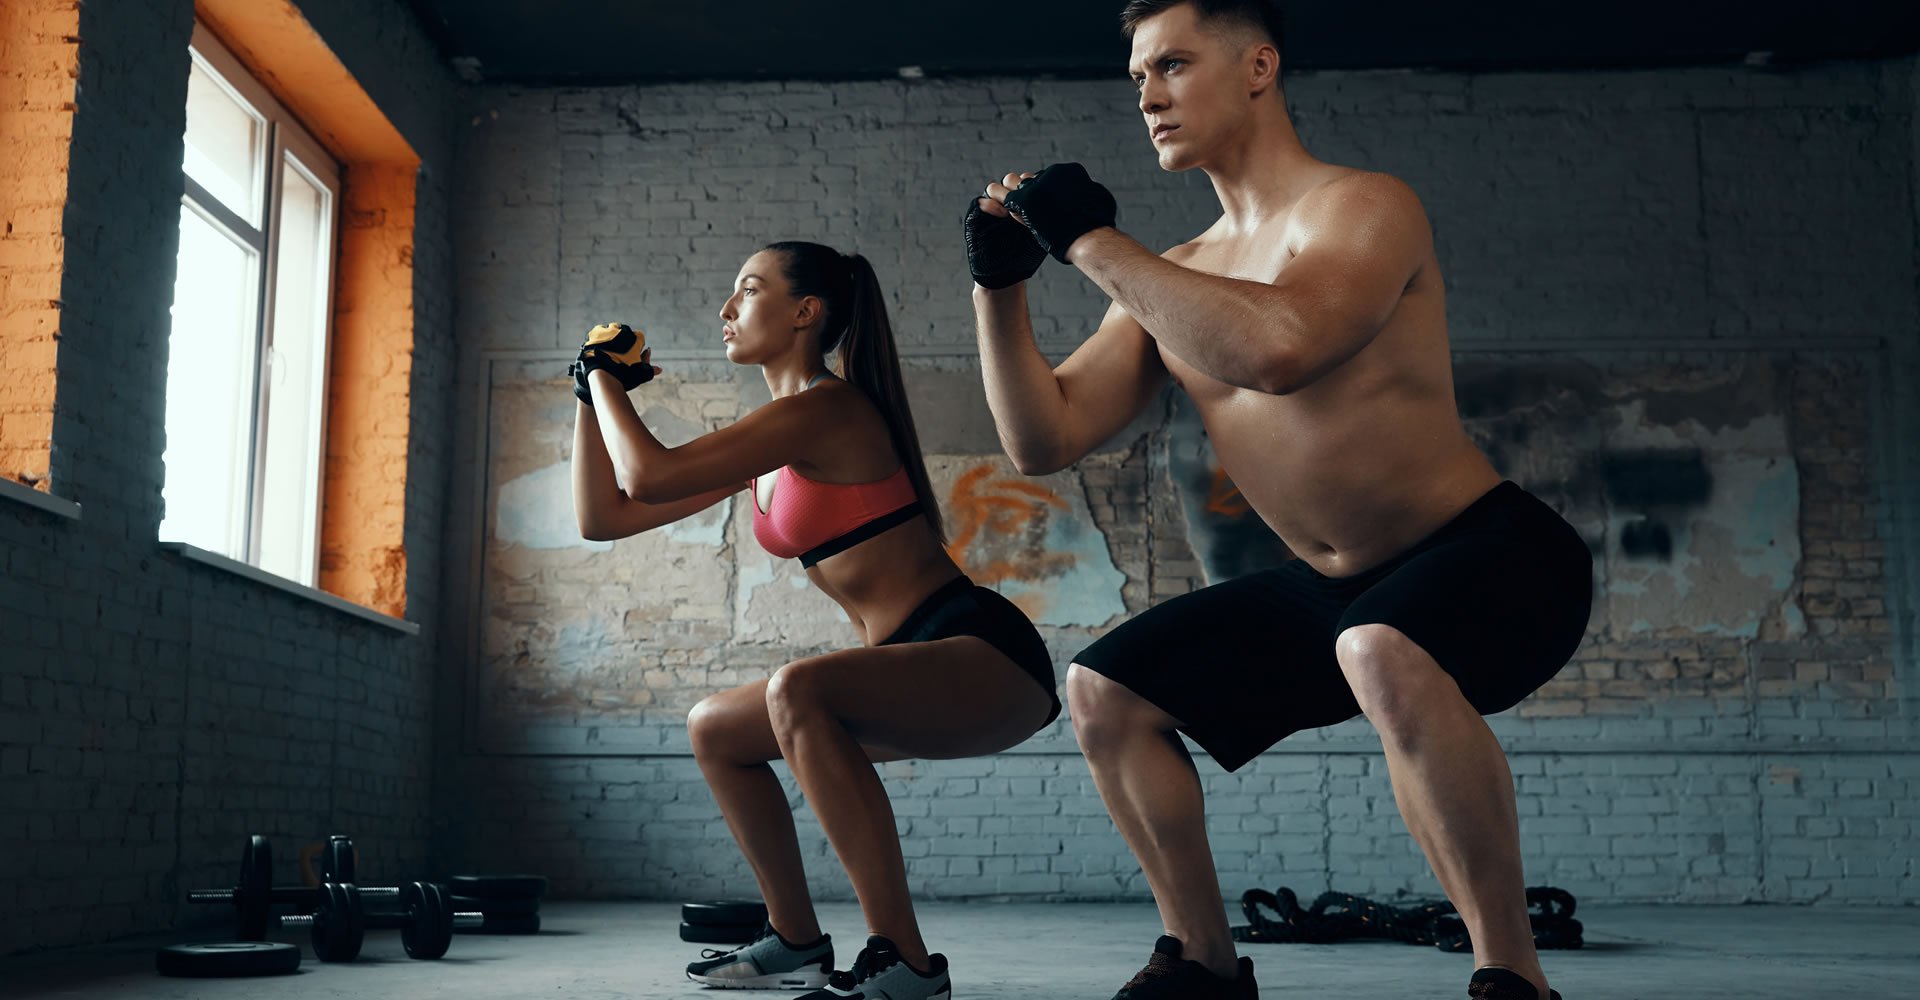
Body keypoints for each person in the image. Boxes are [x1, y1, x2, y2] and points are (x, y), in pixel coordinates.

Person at [962, 2, 1592, 998]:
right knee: (1105, 691)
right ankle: (1203, 963)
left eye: (1174, 64)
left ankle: (1513, 977)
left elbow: (1282, 347)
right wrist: (998, 290)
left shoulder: (1363, 207)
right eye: (1138, 77)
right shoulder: (1179, 274)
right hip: (1335, 589)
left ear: (1259, 67)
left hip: (1497, 554)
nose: (1149, 96)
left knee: (1378, 646)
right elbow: (1044, 438)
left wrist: (1090, 242)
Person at [570, 241, 1058, 998]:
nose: (726, 309)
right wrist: (587, 396)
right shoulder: (772, 441)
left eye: (748, 290)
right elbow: (605, 516)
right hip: (907, 663)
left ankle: (907, 963)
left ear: (806, 312)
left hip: (979, 653)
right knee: (715, 728)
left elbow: (649, 472)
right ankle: (795, 939)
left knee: (797, 688)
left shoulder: (828, 409)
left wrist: (605, 378)